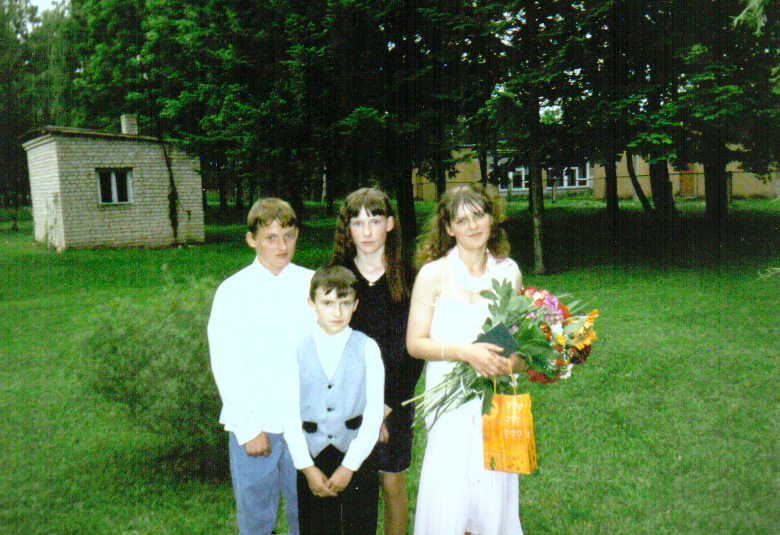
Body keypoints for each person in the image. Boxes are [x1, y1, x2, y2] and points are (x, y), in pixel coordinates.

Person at [406, 184, 525, 535]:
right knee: (450, 493)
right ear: (448, 228)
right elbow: (415, 343)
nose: (472, 226)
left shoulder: (510, 272)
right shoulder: (433, 274)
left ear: (491, 218)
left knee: (493, 489)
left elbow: (517, 347)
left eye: (478, 215)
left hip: (495, 399)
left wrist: (509, 364)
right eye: (461, 220)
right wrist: (465, 352)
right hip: (449, 400)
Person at [208, 198, 316, 535]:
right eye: (271, 237)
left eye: (289, 236)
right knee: (256, 518)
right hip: (256, 425)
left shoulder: (313, 284)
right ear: (251, 240)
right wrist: (247, 426)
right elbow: (225, 362)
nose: (282, 246)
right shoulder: (233, 291)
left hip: (305, 424)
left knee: (308, 514)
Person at [331, 187, 423, 535]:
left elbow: (412, 352)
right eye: (357, 223)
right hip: (347, 402)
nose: (367, 232)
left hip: (395, 401)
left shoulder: (411, 278)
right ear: (347, 229)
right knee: (351, 487)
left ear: (390, 224)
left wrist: (385, 407)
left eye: (375, 221)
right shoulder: (335, 278)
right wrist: (362, 409)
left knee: (391, 484)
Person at [284, 265, 385, 535]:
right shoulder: (297, 350)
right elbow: (289, 415)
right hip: (313, 455)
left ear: (356, 305)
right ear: (312, 304)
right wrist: (307, 468)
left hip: (357, 454)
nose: (337, 312)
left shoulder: (368, 347)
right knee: (316, 527)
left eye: (345, 303)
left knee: (359, 526)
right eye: (327, 303)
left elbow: (374, 413)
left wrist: (349, 466)